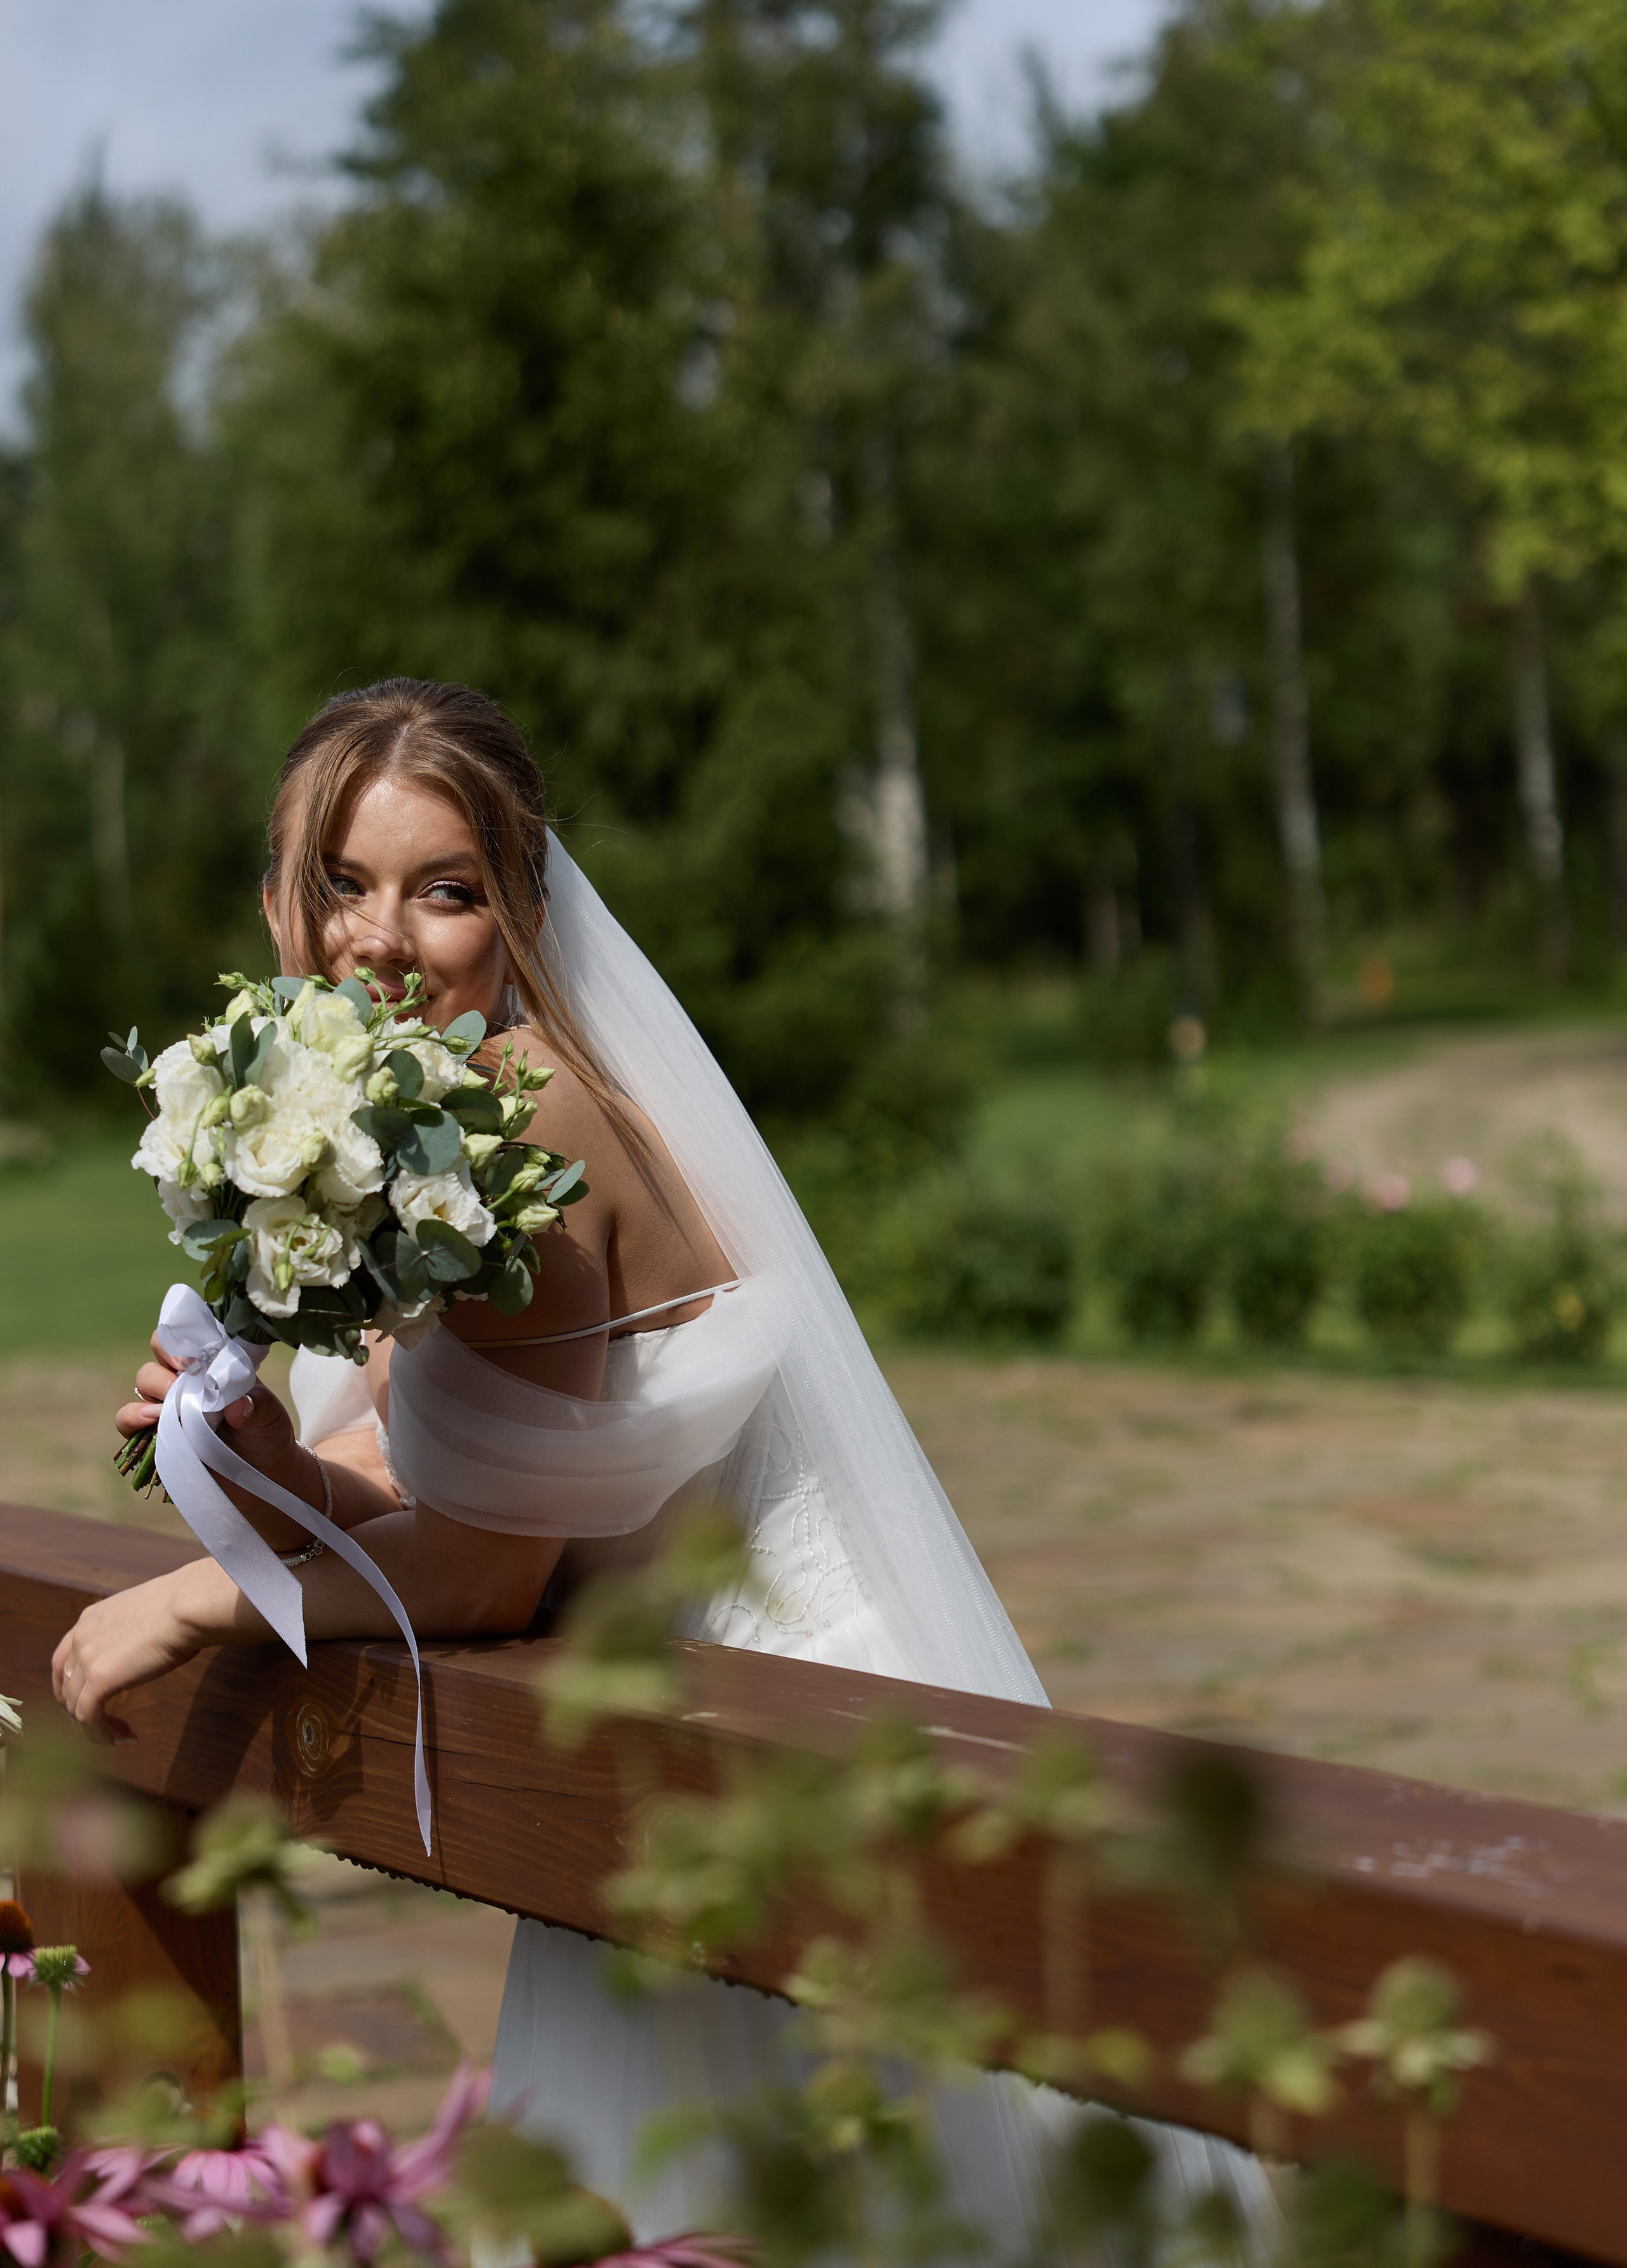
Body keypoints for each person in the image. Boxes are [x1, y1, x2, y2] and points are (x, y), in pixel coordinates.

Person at [53, 679, 1269, 2248]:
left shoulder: (525, 1130)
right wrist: (262, 1458)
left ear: (520, 912)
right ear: (273, 902)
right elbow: (441, 1485)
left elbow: (488, 1573)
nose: (382, 939)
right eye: (342, 884)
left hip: (779, 1733)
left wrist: (196, 1608)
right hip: (658, 1744)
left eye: (446, 890)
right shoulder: (398, 1130)